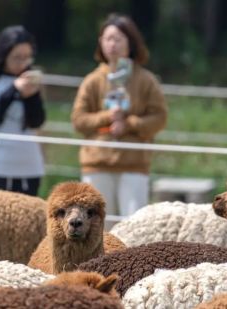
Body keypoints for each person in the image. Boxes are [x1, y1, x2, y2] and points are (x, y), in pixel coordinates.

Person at [71, 13, 168, 216]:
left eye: (118, 39)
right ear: (100, 43)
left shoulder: (146, 80)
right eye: (108, 39)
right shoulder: (92, 80)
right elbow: (78, 120)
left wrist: (130, 124)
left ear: (130, 43)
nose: (112, 44)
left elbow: (159, 118)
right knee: (99, 229)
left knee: (133, 225)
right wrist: (106, 117)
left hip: (134, 164)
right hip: (96, 165)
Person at [0, 25, 45, 196]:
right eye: (17, 57)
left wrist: (31, 97)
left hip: (28, 164)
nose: (22, 63)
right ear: (4, 55)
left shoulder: (29, 78)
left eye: (27, 57)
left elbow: (37, 121)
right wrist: (13, 91)